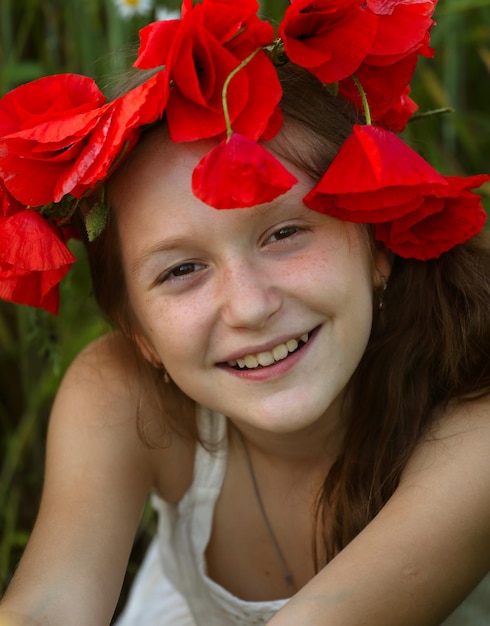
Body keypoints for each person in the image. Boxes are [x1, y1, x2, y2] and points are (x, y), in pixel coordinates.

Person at [0, 1, 489, 625]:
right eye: (180, 270)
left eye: (285, 233)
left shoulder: (476, 415)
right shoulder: (121, 391)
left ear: (378, 239)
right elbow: (46, 608)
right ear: (138, 333)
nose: (251, 307)